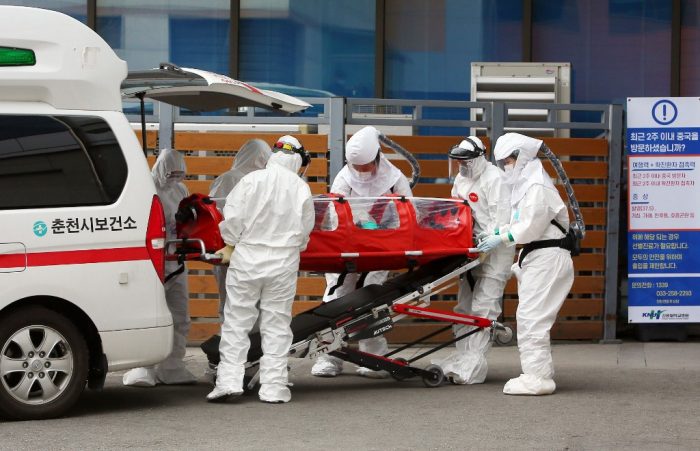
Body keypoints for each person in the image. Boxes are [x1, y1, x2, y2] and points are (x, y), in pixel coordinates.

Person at [207, 135, 314, 404]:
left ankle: (228, 382)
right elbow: (304, 231)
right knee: (277, 324)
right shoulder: (300, 188)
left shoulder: (249, 181)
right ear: (296, 160)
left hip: (247, 260)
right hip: (283, 263)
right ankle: (274, 388)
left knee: (236, 323)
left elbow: (231, 220)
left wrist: (233, 242)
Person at [311, 125, 412, 379]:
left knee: (372, 298)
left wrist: (380, 227)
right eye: (358, 167)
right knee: (337, 296)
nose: (362, 173)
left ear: (377, 157)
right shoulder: (344, 178)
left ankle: (373, 356)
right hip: (346, 246)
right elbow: (335, 211)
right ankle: (330, 357)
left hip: (381, 246)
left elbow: (408, 212)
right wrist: (358, 221)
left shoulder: (395, 178)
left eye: (366, 167)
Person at [477, 132, 574, 396]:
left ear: (520, 158)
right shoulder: (528, 185)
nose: (505, 167)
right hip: (538, 257)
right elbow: (522, 222)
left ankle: (538, 377)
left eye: (507, 161)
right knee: (530, 317)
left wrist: (501, 237)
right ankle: (536, 374)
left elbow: (530, 227)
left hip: (547, 258)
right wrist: (499, 232)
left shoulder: (537, 187)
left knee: (532, 319)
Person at [433, 136, 515, 384]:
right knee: (464, 307)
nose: (462, 166)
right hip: (470, 249)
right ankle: (464, 357)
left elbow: (502, 219)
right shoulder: (460, 179)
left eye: (466, 162)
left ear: (480, 158)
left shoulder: (495, 179)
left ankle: (473, 366)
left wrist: (489, 239)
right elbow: (457, 212)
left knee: (483, 308)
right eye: (458, 162)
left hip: (496, 251)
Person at [123, 148, 197, 387]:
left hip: (176, 261)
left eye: (179, 173)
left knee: (180, 316)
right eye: (171, 173)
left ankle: (173, 366)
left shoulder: (180, 190)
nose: (175, 178)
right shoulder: (146, 189)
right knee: (148, 316)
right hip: (151, 264)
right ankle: (141, 367)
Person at [209, 139, 271, 320]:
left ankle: (242, 347)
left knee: (235, 305)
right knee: (246, 306)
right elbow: (218, 214)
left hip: (239, 253)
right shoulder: (230, 179)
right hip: (239, 252)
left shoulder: (232, 178)